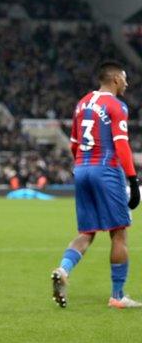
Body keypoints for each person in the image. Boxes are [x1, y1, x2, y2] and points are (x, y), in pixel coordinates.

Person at [51, 61, 142, 309]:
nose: (127, 83)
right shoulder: (116, 105)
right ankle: (118, 295)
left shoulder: (81, 104)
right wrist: (133, 180)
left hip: (82, 168)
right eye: (124, 78)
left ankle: (63, 269)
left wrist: (83, 166)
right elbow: (122, 144)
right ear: (114, 79)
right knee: (119, 231)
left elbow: (73, 144)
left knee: (86, 232)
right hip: (106, 169)